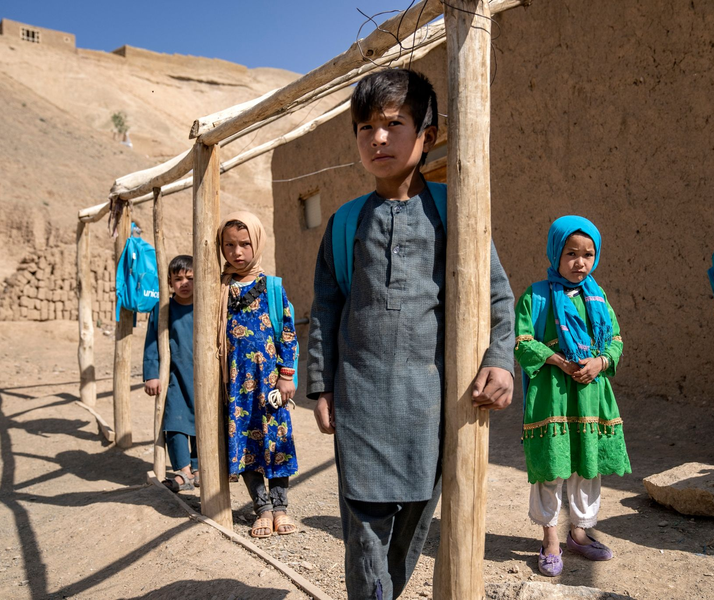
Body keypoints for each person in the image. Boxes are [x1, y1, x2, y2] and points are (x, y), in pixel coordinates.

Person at [306, 69, 516, 599]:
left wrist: (500, 358)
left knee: (415, 525)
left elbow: (497, 296)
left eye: (393, 124)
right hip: (361, 403)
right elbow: (325, 310)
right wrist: (321, 386)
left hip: (433, 407)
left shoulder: (458, 212)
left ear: (427, 133)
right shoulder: (344, 223)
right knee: (364, 529)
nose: (377, 138)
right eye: (364, 128)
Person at [514, 216, 630, 577]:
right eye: (571, 253)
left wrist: (600, 361)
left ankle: (578, 533)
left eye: (588, 254)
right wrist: (560, 361)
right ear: (555, 252)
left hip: (591, 395)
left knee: (586, 466)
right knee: (552, 467)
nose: (580, 262)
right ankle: (550, 540)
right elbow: (521, 341)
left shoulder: (599, 297)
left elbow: (615, 339)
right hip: (554, 395)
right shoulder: (535, 296)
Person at [217, 212, 299, 538]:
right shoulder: (219, 290)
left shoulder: (272, 288)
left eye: (244, 244)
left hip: (269, 383)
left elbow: (288, 334)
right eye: (229, 245)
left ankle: (280, 508)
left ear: (257, 243)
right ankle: (262, 508)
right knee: (245, 444)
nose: (237, 252)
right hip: (236, 386)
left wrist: (287, 376)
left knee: (276, 443)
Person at [143, 255, 198, 492]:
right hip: (174, 377)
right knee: (175, 421)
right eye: (178, 279)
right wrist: (151, 374)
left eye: (190, 278)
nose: (184, 283)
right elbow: (151, 342)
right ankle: (183, 471)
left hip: (204, 378)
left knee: (203, 423)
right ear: (169, 282)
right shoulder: (163, 309)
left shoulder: (206, 306)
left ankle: (199, 468)